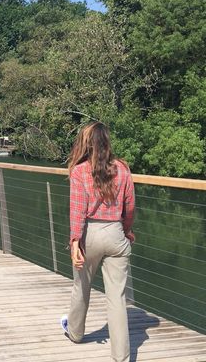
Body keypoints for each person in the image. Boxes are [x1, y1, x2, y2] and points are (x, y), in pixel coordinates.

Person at [60, 122, 135, 362]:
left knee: (81, 286)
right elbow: (130, 207)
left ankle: (75, 332)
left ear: (86, 143)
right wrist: (126, 231)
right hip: (115, 234)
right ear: (107, 142)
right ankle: (121, 357)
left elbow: (78, 211)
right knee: (117, 298)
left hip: (89, 233)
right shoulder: (123, 169)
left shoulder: (80, 171)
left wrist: (74, 242)